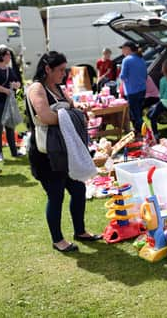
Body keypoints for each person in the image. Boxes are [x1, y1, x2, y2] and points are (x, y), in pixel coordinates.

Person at [26, 51, 102, 253]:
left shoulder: (57, 87)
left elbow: (71, 107)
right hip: (47, 154)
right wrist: (72, 115)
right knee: (56, 195)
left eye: (64, 69)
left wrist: (79, 109)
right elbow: (45, 116)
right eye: (60, 70)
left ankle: (80, 231)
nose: (64, 73)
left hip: (66, 150)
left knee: (78, 190)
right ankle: (58, 239)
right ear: (47, 69)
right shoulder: (37, 88)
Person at [0, 47, 23, 161]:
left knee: (10, 126)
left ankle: (14, 151)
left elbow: (16, 81)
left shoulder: (9, 69)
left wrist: (16, 85)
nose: (10, 57)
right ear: (2, 56)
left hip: (8, 102)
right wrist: (5, 90)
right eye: (8, 55)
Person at [118, 40, 147, 135]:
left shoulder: (126, 60)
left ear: (128, 49)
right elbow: (145, 75)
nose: (122, 51)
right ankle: (139, 132)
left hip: (132, 91)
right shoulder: (141, 58)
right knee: (138, 113)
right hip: (142, 90)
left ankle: (146, 133)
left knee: (136, 115)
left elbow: (122, 76)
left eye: (123, 49)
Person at [147, 60, 167, 139]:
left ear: (164, 69)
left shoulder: (162, 79)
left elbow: (161, 94)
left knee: (152, 116)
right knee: (152, 112)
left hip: (164, 101)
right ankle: (158, 121)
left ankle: (155, 133)